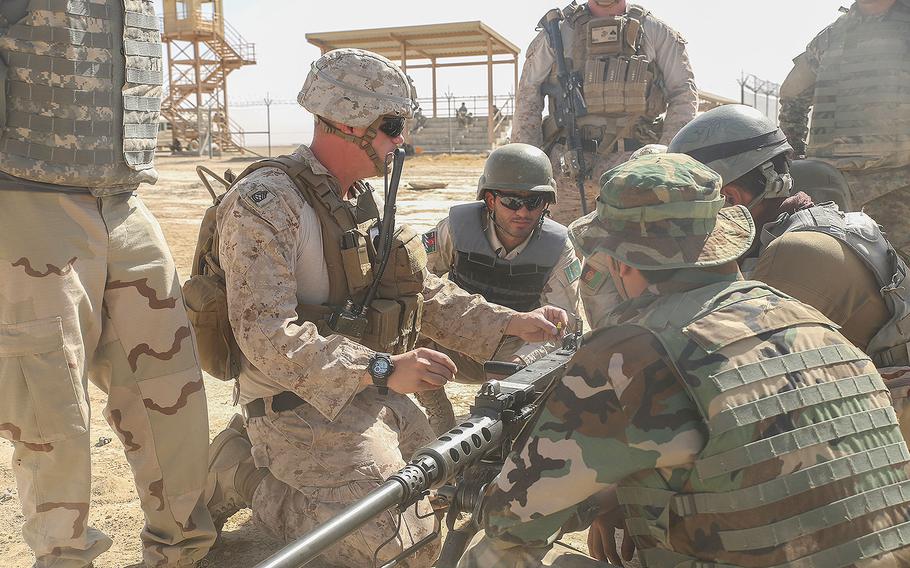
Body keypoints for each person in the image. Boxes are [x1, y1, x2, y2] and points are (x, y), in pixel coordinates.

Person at [204, 48, 567, 567]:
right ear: (345, 120)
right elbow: (264, 334)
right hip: (295, 405)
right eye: (392, 126)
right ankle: (241, 470)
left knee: (444, 493)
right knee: (402, 545)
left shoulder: (361, 201)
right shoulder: (267, 203)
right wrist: (380, 368)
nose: (402, 141)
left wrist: (512, 322)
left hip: (368, 395)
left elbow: (424, 292)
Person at [459, 152, 910, 568]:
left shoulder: (632, 352)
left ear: (621, 262)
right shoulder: (808, 320)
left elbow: (512, 519)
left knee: (498, 555)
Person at [0, 2, 217, 567]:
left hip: (122, 196)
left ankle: (180, 553)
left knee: (172, 395)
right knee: (54, 414)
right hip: (24, 195)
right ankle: (64, 559)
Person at [669, 104, 910, 371]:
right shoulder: (795, 230)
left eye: (691, 205)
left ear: (730, 198)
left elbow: (735, 370)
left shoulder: (796, 251)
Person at [417, 143, 585, 434]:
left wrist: (522, 365)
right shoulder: (456, 229)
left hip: (512, 352)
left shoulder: (557, 247)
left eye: (534, 202)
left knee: (563, 350)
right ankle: (436, 408)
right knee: (401, 315)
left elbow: (564, 324)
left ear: (546, 204)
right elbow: (412, 280)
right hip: (454, 338)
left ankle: (508, 426)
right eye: (511, 201)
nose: (523, 212)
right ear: (490, 200)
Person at [514, 0, 698, 225]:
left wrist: (666, 160)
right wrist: (528, 170)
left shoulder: (656, 32)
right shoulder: (558, 31)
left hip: (634, 171)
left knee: (630, 253)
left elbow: (683, 96)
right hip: (566, 170)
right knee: (562, 252)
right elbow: (527, 95)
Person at [779, 0, 910, 260]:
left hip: (899, 181)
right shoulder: (829, 38)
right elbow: (792, 95)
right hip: (831, 180)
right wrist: (795, 158)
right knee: (823, 265)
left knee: (899, 273)